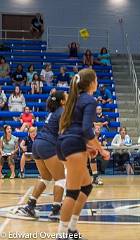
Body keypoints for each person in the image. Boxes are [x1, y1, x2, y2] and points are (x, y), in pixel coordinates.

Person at [56, 69, 110, 238]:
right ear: (91, 82)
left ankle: (71, 229)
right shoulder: (90, 100)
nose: (98, 82)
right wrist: (101, 149)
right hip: (73, 146)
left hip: (68, 144)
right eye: (96, 78)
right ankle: (61, 234)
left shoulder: (75, 99)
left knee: (86, 186)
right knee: (72, 192)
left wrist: (89, 147)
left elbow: (75, 128)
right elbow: (86, 129)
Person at [15, 90, 67, 220]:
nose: (68, 97)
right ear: (62, 101)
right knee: (60, 179)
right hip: (48, 145)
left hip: (37, 144)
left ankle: (30, 206)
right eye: (66, 96)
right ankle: (56, 211)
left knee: (45, 177)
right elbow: (63, 132)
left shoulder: (53, 112)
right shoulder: (62, 112)